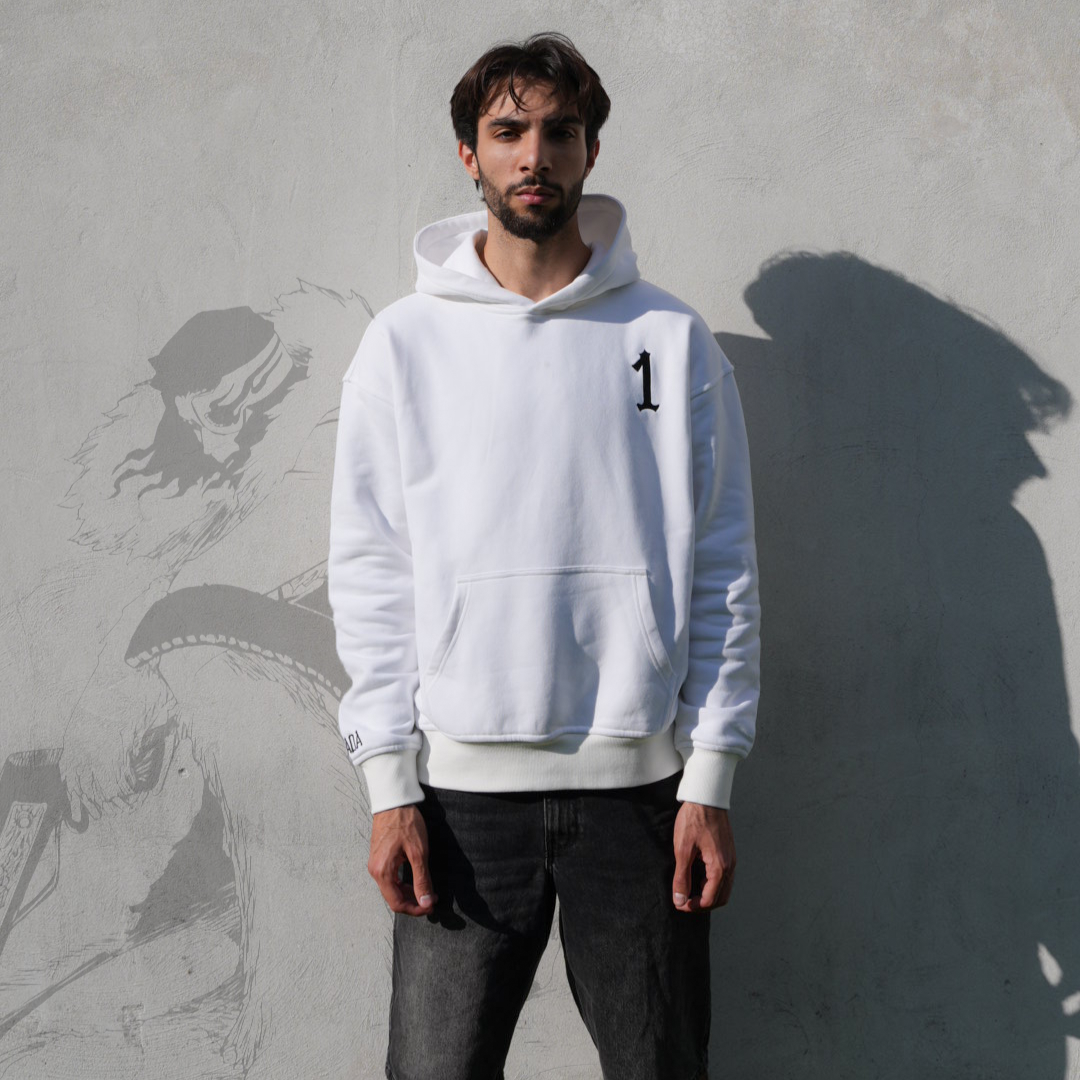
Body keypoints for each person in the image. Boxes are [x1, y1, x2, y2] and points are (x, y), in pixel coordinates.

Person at [328, 31, 760, 1080]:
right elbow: (372, 569)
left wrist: (711, 775)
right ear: (469, 154)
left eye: (560, 133)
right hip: (459, 801)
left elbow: (724, 567)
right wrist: (388, 783)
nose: (535, 156)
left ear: (590, 152)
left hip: (640, 796)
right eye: (508, 132)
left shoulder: (671, 339)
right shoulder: (404, 345)